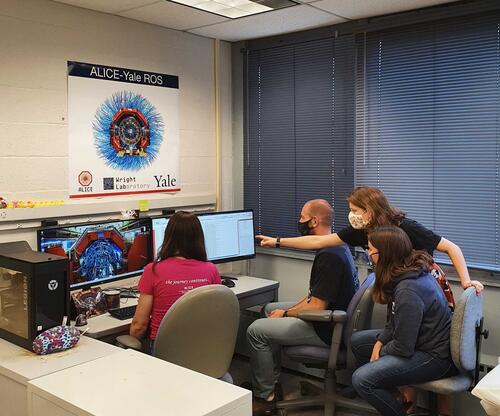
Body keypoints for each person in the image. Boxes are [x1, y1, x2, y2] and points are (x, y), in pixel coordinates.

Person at [247, 199, 360, 415]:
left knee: (255, 331)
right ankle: (272, 382)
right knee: (268, 309)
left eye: (302, 217)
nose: (299, 221)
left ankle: (265, 397)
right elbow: (314, 297)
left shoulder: (329, 255)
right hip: (333, 315)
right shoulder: (337, 245)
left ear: (314, 221)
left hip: (327, 326)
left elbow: (316, 307)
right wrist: (279, 312)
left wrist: (287, 313)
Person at [256, 186, 483, 293]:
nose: (351, 215)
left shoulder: (405, 227)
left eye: (356, 209)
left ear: (371, 210)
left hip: (421, 291)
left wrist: (465, 281)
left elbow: (452, 248)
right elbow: (317, 242)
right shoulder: (361, 231)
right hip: (396, 290)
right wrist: (277, 241)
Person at [350, 226, 456, 416]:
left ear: (384, 254)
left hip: (434, 357)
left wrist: (380, 350)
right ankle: (395, 398)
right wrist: (381, 340)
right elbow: (395, 319)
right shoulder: (406, 272)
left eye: (370, 250)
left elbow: (403, 347)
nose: (368, 254)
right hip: (420, 343)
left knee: (362, 380)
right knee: (358, 342)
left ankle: (397, 410)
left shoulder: (408, 290)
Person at [129, 211, 221, 347]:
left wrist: (132, 339)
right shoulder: (211, 269)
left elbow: (139, 326)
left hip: (165, 352)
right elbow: (216, 315)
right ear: (199, 237)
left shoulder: (153, 270)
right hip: (203, 351)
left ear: (168, 237)